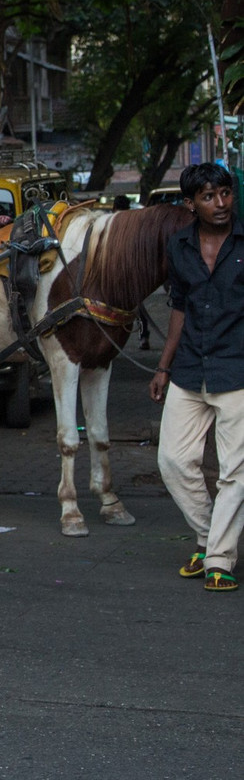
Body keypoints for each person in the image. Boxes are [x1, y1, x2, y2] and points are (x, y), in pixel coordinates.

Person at [149, 161, 244, 592]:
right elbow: (180, 308)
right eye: (208, 196)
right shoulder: (180, 246)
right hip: (188, 367)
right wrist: (163, 367)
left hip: (237, 369)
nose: (220, 203)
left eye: (225, 193)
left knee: (234, 472)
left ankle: (219, 559)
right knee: (173, 461)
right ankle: (209, 538)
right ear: (190, 204)